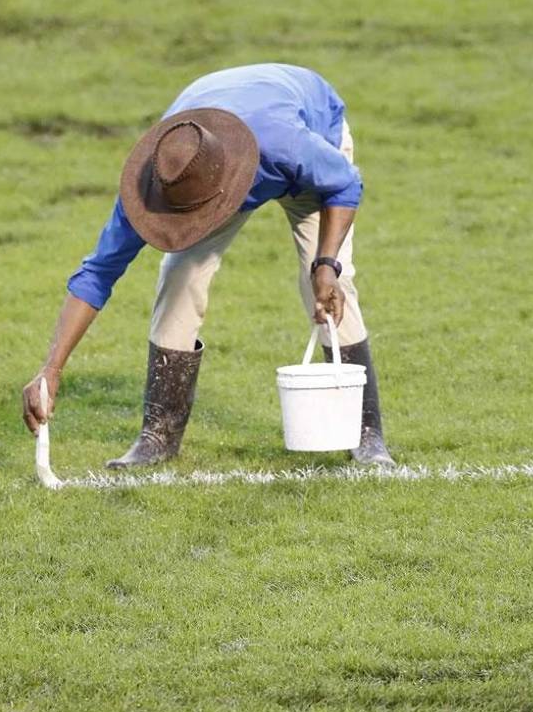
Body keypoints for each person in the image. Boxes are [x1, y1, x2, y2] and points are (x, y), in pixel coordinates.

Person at [20, 63, 394, 468]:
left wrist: (326, 265)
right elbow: (96, 273)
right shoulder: (163, 178)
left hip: (309, 142)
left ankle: (366, 434)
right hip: (213, 159)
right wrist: (51, 367)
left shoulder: (288, 145)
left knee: (325, 286)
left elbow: (345, 183)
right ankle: (158, 438)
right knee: (179, 274)